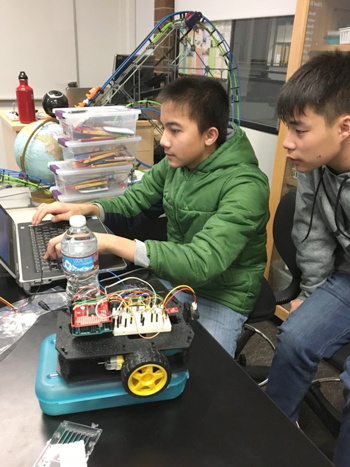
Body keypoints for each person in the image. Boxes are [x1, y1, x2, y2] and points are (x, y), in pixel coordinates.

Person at [32, 75, 269, 357]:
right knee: (128, 346)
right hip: (176, 278)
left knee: (206, 375)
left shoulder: (246, 186)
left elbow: (202, 262)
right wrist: (88, 208)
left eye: (175, 131)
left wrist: (110, 242)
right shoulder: (178, 163)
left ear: (210, 135)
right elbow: (136, 198)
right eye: (163, 128)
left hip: (224, 295)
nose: (164, 141)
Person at [265, 50, 350, 467]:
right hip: (346, 279)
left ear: (344, 126)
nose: (287, 142)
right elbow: (313, 235)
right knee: (295, 337)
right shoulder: (314, 164)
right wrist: (312, 293)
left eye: (299, 130)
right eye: (287, 128)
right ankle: (273, 439)